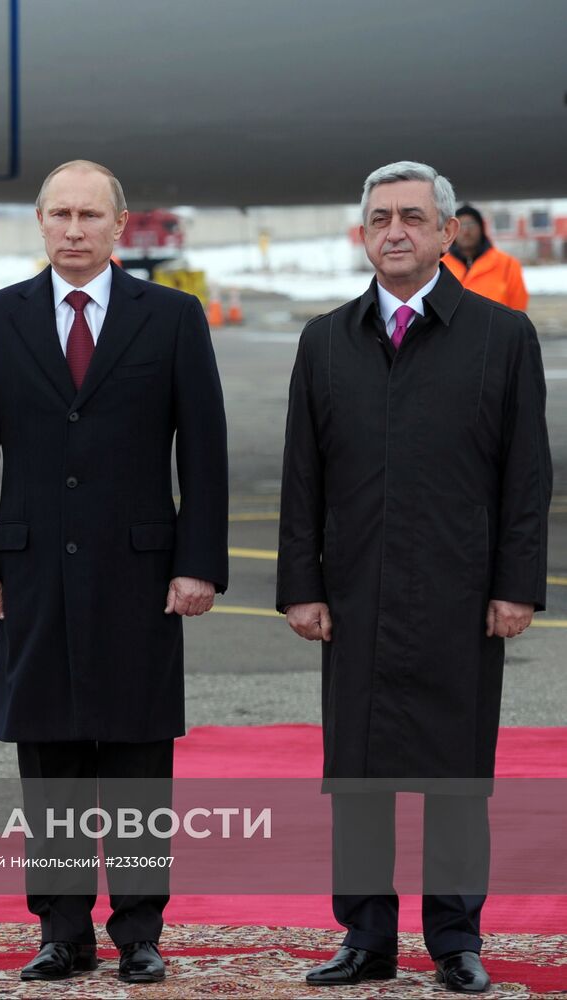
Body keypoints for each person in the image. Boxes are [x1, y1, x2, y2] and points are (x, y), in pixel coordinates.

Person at [0, 160, 228, 985]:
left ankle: (139, 931)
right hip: (30, 573)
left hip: (142, 575)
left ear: (120, 224)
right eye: (59, 214)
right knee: (52, 761)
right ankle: (61, 932)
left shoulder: (173, 318)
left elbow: (203, 454)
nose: (73, 229)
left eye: (88, 215)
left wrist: (197, 564)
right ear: (40, 223)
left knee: (139, 758)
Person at [277, 161, 551, 994]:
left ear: (444, 233)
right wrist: (301, 584)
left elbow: (525, 476)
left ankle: (454, 939)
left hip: (460, 596)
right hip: (355, 596)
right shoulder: (325, 340)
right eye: (378, 219)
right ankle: (364, 937)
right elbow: (302, 476)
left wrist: (516, 585)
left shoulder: (501, 337)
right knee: (356, 775)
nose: (394, 231)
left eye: (411, 217)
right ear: (361, 235)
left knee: (455, 775)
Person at [443, 204, 529, 311]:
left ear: (482, 228)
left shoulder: (508, 265)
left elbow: (518, 310)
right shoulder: (439, 266)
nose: (466, 232)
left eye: (471, 225)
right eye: (461, 226)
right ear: (452, 230)